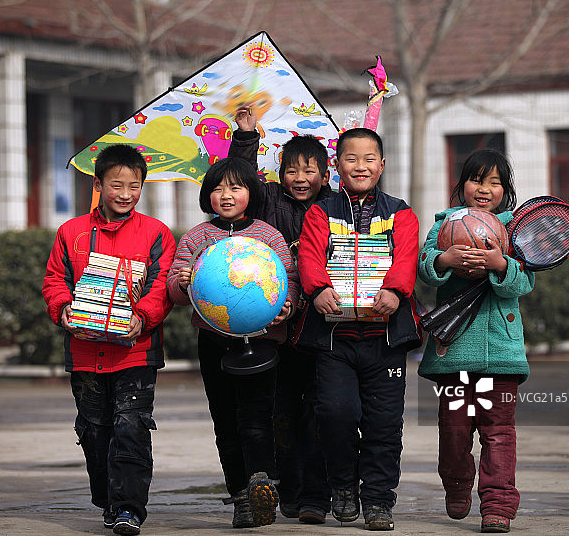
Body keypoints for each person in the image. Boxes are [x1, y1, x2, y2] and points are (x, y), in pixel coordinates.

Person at [42, 144, 175, 536]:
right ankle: (108, 499)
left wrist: (143, 316)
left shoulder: (156, 233)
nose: (126, 194)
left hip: (137, 352)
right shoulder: (71, 233)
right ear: (97, 184)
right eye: (116, 185)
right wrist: (63, 307)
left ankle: (129, 509)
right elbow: (54, 280)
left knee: (131, 425)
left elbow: (161, 286)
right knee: (95, 430)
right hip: (84, 352)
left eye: (134, 186)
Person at [297, 128, 420, 531]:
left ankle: (379, 501)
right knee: (335, 414)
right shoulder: (321, 212)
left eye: (369, 159)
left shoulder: (401, 212)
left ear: (382, 165)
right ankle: (344, 486)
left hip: (385, 340)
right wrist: (317, 291)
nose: (360, 166)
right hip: (335, 340)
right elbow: (310, 256)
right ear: (338, 165)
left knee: (385, 424)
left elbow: (406, 256)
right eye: (351, 158)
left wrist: (395, 291)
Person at [166, 157, 299, 529]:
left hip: (263, 340)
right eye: (218, 189)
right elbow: (175, 294)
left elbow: (291, 285)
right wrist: (184, 280)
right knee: (224, 419)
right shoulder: (195, 237)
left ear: (251, 194)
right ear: (207, 196)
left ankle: (262, 481)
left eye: (235, 188)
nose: (226, 196)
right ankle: (240, 495)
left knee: (257, 416)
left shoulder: (269, 236)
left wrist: (285, 308)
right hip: (214, 341)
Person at [416, 149, 533, 534]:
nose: (484, 189)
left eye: (495, 182)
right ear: (461, 185)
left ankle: (498, 506)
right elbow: (426, 269)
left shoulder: (516, 233)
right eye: (476, 180)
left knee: (499, 432)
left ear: (506, 190)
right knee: (454, 430)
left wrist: (502, 265)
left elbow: (524, 282)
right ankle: (457, 483)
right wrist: (445, 260)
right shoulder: (444, 225)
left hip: (500, 351)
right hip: (455, 355)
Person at [229, 106, 333, 524]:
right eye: (292, 170)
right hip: (275, 327)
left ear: (326, 176)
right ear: (280, 173)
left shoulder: (334, 207)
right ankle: (288, 491)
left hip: (323, 327)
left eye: (310, 171)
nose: (301, 178)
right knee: (281, 411)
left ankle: (317, 495)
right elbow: (243, 176)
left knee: (319, 413)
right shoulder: (267, 198)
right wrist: (247, 136)